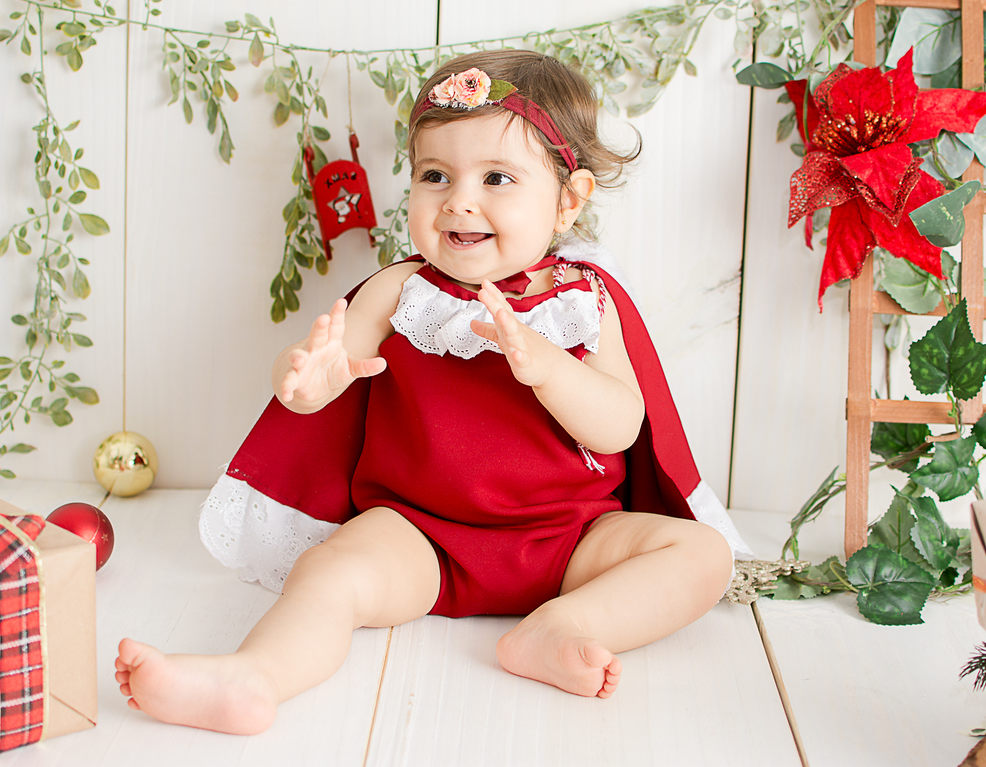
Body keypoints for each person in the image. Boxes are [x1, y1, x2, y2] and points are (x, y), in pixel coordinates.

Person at [115, 50, 750, 735]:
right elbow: (314, 383)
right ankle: (253, 677)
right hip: (419, 536)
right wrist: (305, 381)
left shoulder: (585, 302)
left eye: (497, 177)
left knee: (702, 555)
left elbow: (621, 427)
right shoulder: (402, 290)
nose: (459, 200)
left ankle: (558, 627)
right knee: (329, 573)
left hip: (571, 539)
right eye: (434, 174)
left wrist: (547, 368)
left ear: (568, 201)